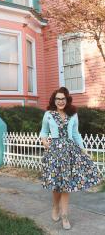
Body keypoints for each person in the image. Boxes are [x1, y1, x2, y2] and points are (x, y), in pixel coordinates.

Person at [39, 87, 102, 230]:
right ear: (54, 100)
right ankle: (55, 207)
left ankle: (65, 215)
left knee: (66, 185)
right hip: (54, 152)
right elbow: (43, 131)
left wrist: (83, 149)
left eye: (63, 99)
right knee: (56, 184)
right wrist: (44, 141)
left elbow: (75, 134)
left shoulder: (73, 115)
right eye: (58, 99)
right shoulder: (48, 114)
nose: (60, 101)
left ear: (67, 100)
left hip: (69, 152)